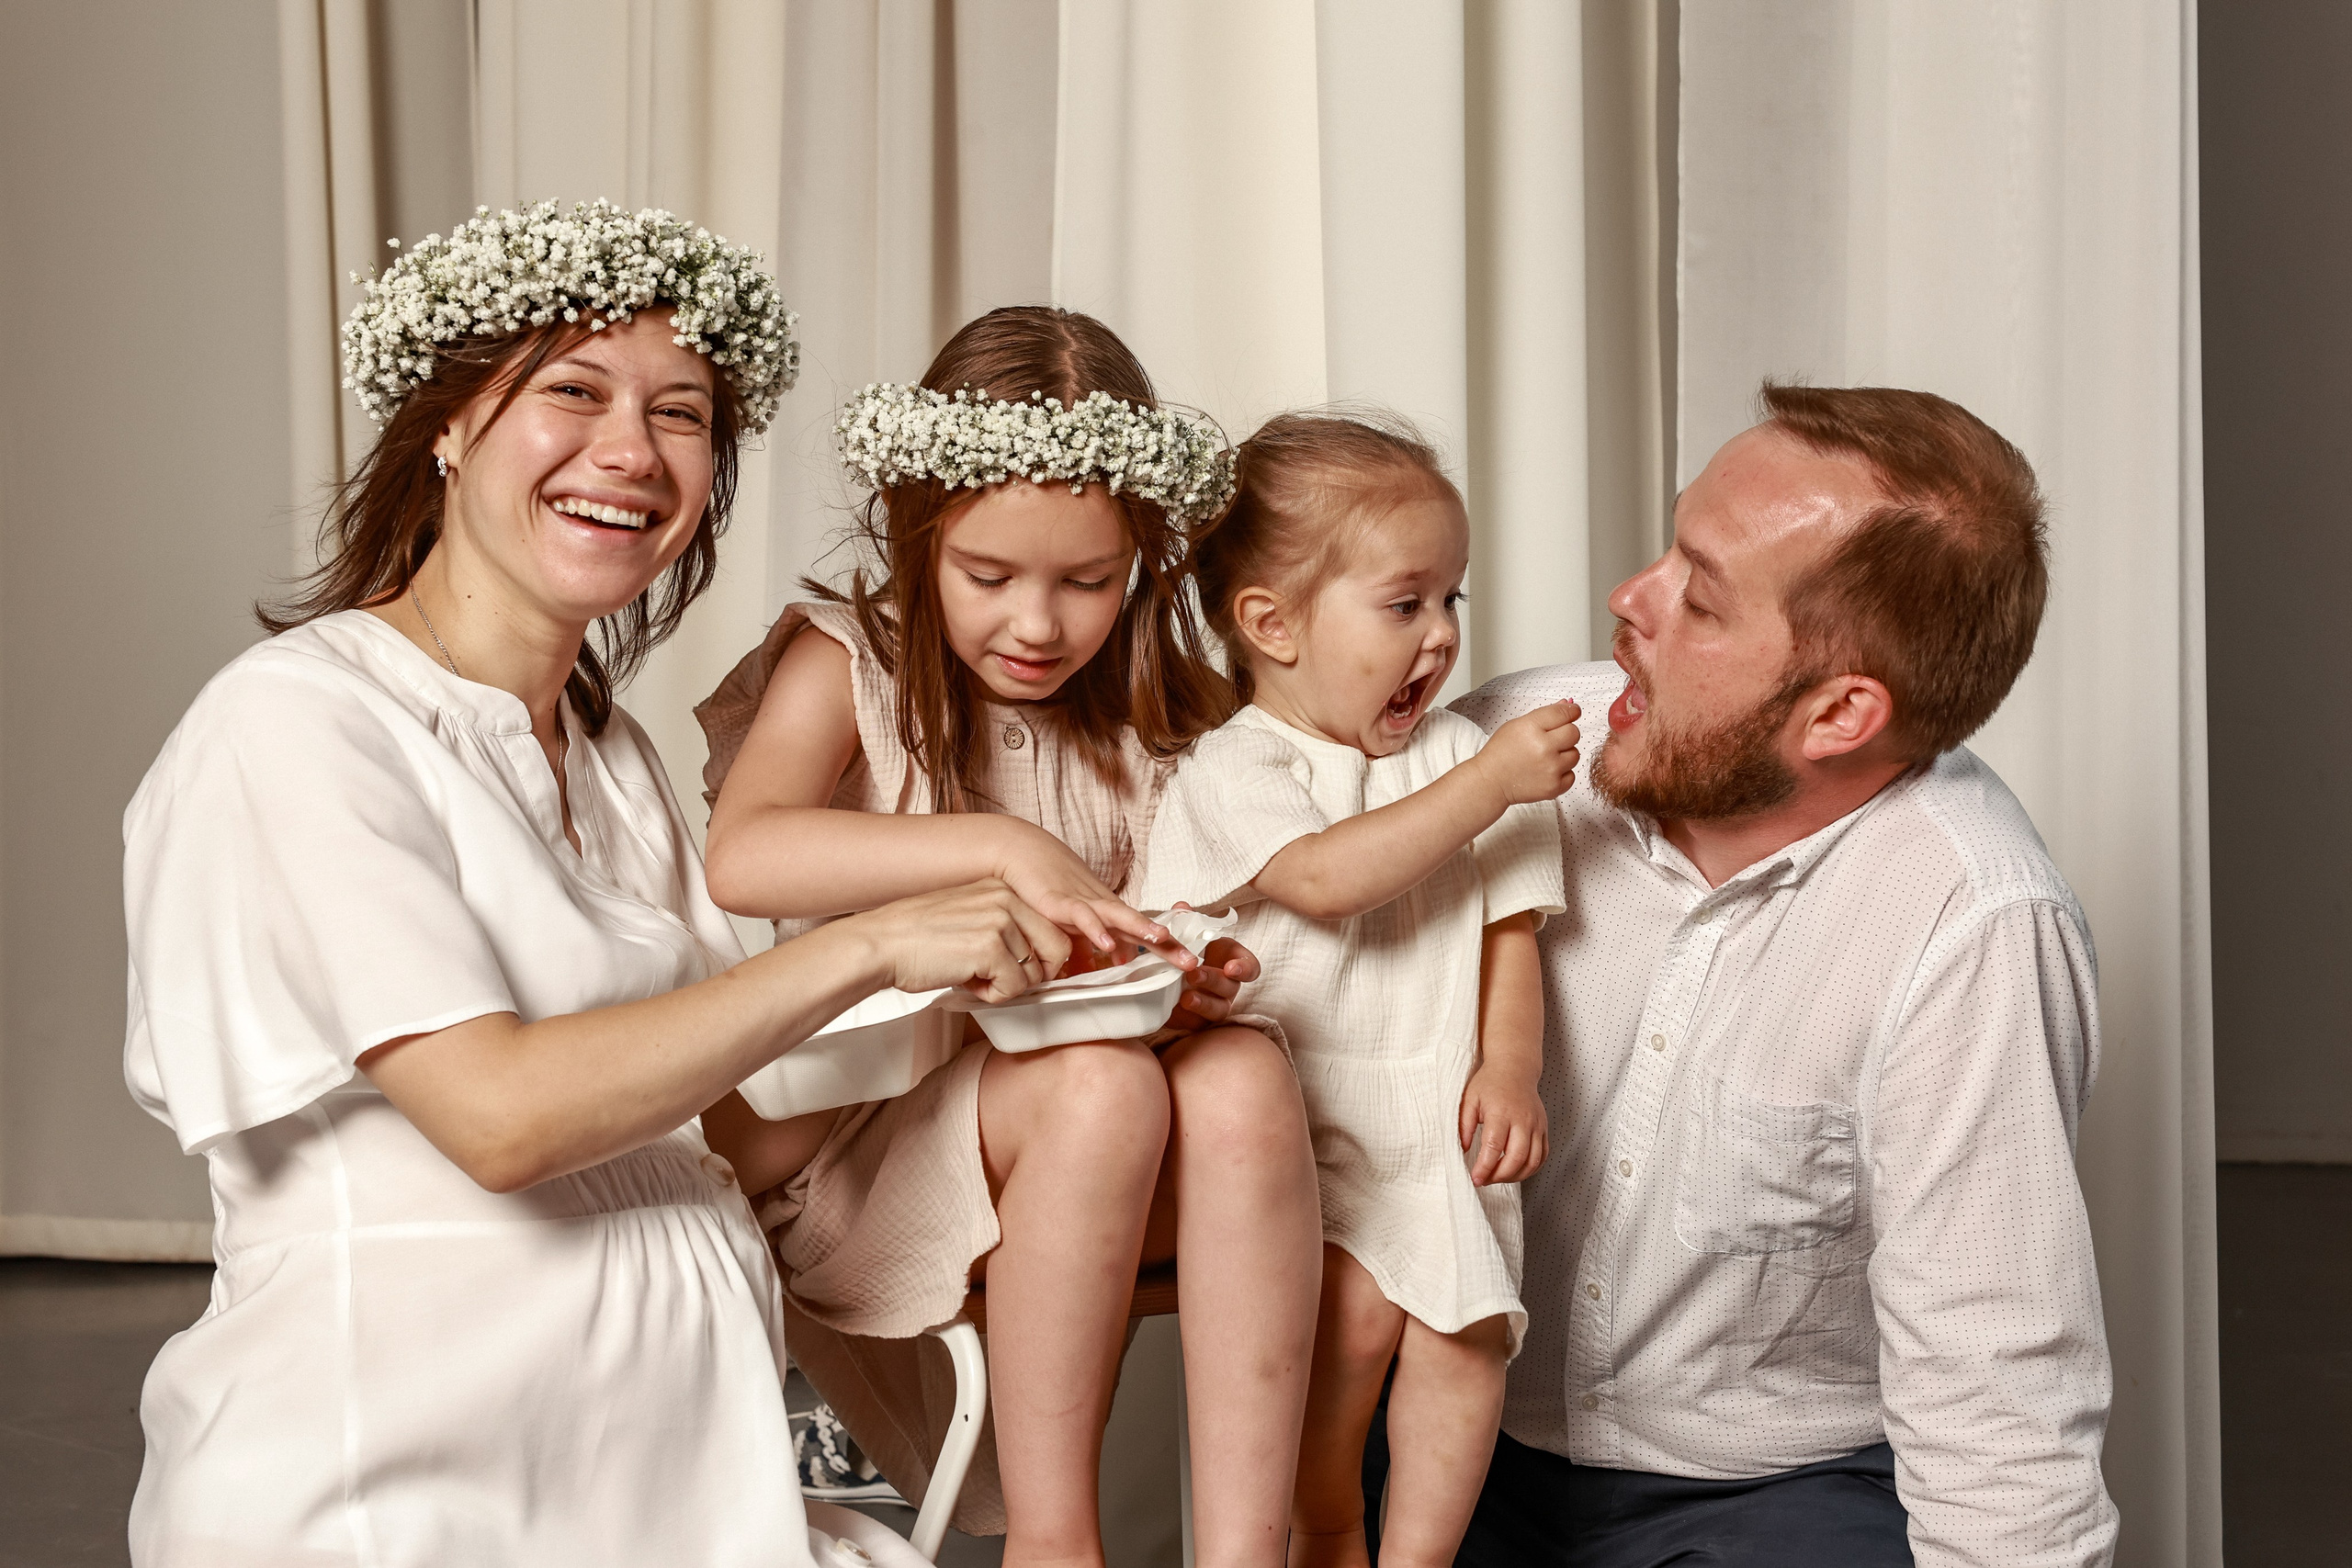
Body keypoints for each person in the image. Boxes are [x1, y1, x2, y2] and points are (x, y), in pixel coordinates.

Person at [120, 200, 1089, 1566]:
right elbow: (501, 1117)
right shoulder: (296, 723)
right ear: (448, 421)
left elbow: (728, 1134)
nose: (631, 451)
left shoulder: (610, 752)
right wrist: (874, 943)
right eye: (573, 391)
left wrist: (1032, 1027)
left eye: (680, 413)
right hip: (404, 1494)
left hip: (690, 1496)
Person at [1409, 383, 2120, 1566]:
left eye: (1700, 597)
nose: (1628, 598)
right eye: (1668, 553)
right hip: (1441, 1441)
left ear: (1840, 715)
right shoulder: (1498, 752)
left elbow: (1997, 1380)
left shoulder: (1976, 922)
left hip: (1769, 1494)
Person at [695, 307, 1323, 1568]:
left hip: (1101, 1154)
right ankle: (1056, 1543)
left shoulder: (1158, 717)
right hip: (862, 1159)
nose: (1037, 624)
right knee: (1098, 1088)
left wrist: (1183, 974)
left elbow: (1192, 918)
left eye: (1088, 582)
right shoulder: (854, 665)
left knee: (1247, 1073)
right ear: (918, 531)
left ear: (1142, 559)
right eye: (989, 576)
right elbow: (743, 852)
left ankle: (1251, 1552)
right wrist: (996, 846)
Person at [1136, 412, 1580, 1568]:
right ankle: (1324, 1525)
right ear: (1271, 626)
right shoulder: (1238, 765)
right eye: (1403, 604)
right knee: (1341, 1341)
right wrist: (1490, 784)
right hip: (1301, 1136)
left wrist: (1512, 1068)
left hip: (1433, 1118)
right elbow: (1326, 880)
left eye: (1452, 600)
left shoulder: (1458, 755)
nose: (1441, 636)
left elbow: (1510, 931)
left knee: (1466, 1343)